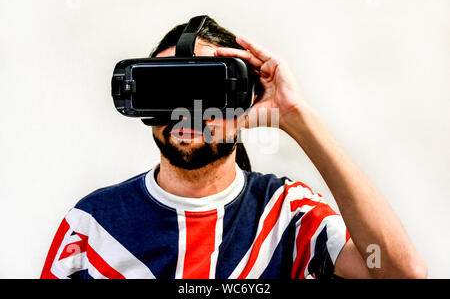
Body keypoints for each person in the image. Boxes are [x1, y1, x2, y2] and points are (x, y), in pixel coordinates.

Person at [40, 17, 427, 279]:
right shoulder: (90, 227)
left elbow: (400, 273)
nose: (186, 110)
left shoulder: (287, 215)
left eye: (208, 88)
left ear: (245, 101)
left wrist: (295, 115)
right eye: (166, 88)